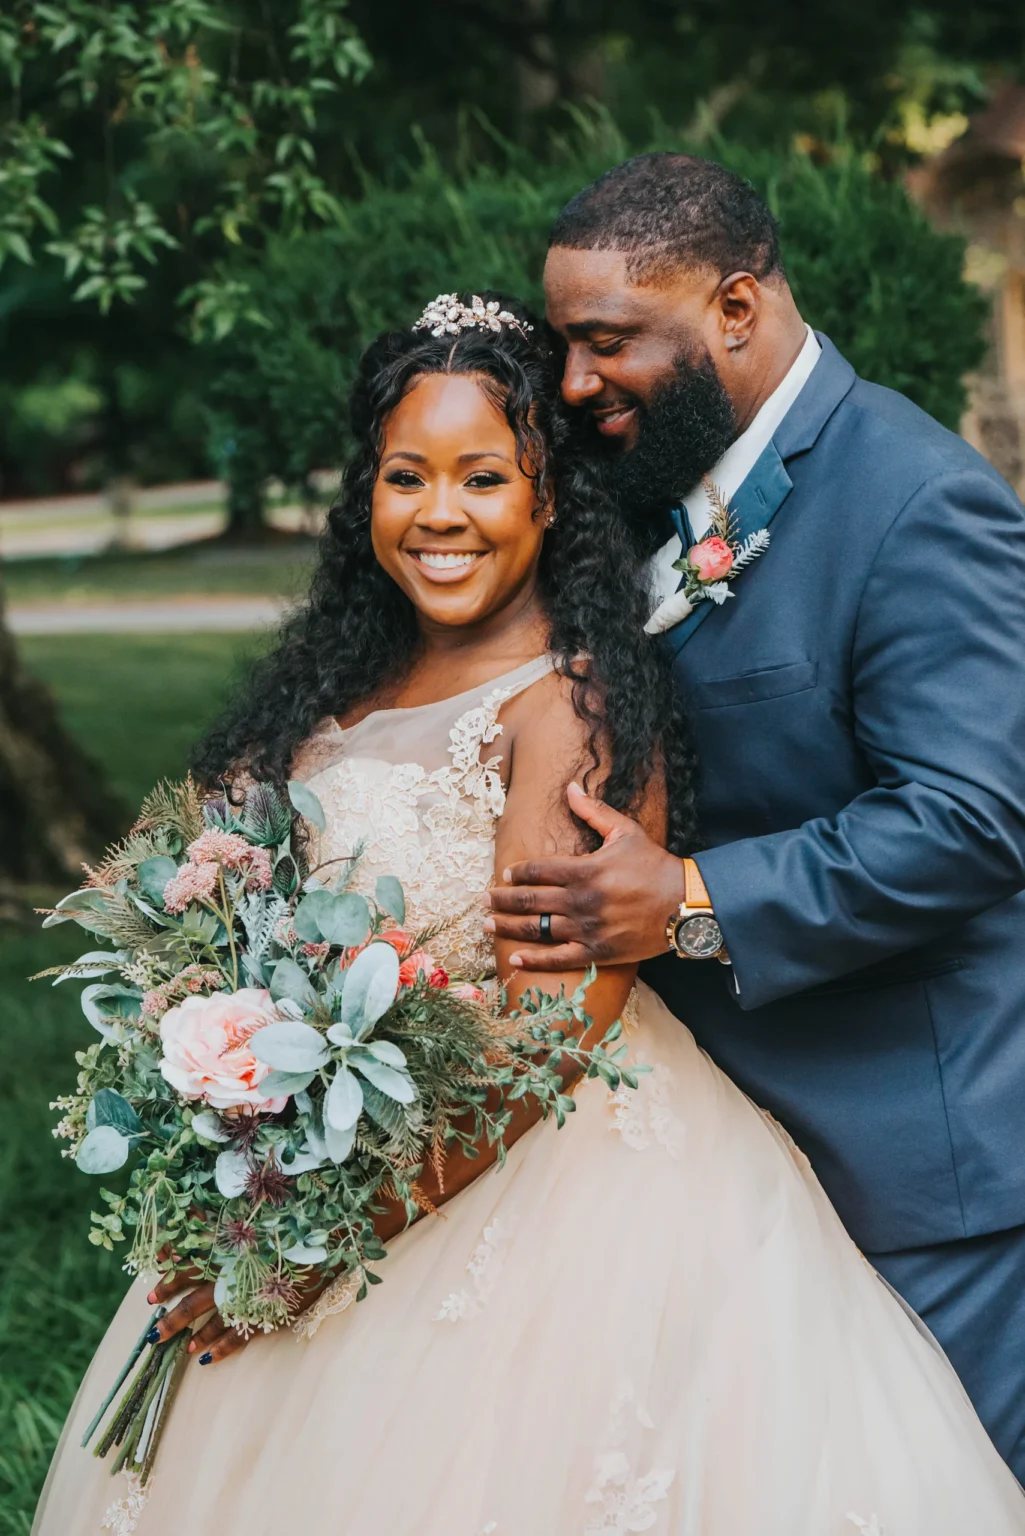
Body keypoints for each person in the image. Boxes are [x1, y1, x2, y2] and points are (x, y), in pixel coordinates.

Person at [34, 293, 1024, 1536]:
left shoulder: (573, 703)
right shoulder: (333, 686)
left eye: (482, 477)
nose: (439, 514)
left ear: (547, 497)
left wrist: (330, 1243)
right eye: (406, 476)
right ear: (366, 497)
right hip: (314, 1169)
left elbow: (558, 1023)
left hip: (538, 1177)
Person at [485, 152, 1025, 1479]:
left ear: (736, 307)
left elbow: (974, 817)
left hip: (911, 1166)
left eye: (608, 342)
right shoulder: (660, 481)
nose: (572, 385)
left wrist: (691, 900)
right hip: (720, 1155)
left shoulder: (915, 503)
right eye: (563, 344)